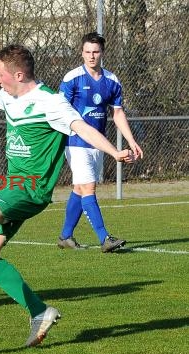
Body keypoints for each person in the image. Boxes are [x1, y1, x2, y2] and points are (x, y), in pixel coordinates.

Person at [0, 44, 135, 347]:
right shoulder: (10, 97)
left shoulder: (51, 102)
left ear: (18, 74)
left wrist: (113, 151)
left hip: (30, 189)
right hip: (15, 186)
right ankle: (40, 312)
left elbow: (81, 128)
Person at [56, 32, 143, 252]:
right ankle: (105, 238)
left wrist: (131, 141)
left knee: (79, 188)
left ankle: (65, 236)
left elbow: (118, 114)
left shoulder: (111, 80)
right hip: (75, 142)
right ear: (81, 52)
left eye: (95, 52)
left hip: (99, 143)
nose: (91, 56)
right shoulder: (72, 78)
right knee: (89, 187)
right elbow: (58, 110)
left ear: (102, 53)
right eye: (87, 52)